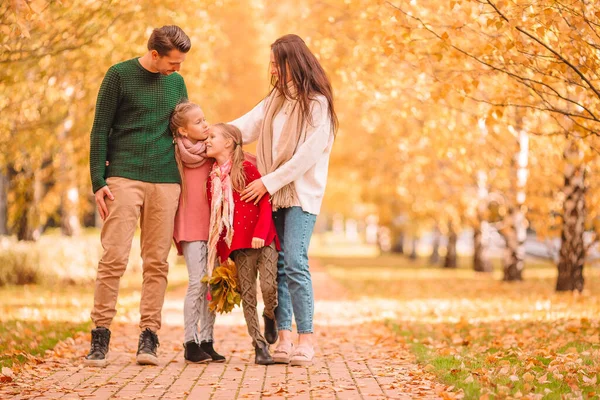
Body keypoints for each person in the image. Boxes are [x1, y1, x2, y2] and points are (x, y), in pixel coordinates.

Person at [85, 25, 191, 367]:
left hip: (165, 179)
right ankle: (100, 337)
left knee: (157, 262)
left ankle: (149, 337)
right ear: (155, 54)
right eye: (174, 63)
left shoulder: (176, 83)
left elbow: (185, 126)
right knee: (114, 256)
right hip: (124, 176)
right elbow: (100, 127)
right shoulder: (119, 75)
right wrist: (97, 180)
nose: (178, 70)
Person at [230, 34, 338, 366]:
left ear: (294, 62)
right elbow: (240, 129)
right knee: (276, 266)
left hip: (301, 196)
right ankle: (285, 337)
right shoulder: (274, 102)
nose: (272, 69)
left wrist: (267, 181)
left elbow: (305, 157)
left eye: (277, 62)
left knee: (294, 262)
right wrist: (199, 130)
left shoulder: (318, 105)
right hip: (271, 197)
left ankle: (307, 339)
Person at [205, 123, 279, 365]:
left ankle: (270, 314)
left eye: (212, 136)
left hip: (263, 238)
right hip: (238, 246)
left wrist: (260, 232)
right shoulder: (213, 179)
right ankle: (259, 345)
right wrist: (223, 252)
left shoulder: (247, 168)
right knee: (248, 295)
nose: (207, 140)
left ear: (228, 142)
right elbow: (218, 220)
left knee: (268, 287)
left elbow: (265, 202)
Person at [170, 101, 225, 364]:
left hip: (213, 226)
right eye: (199, 122)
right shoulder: (174, 154)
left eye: (205, 120)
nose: (205, 125)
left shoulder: (213, 151)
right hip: (189, 223)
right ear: (183, 131)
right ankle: (190, 342)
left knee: (212, 283)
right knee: (197, 281)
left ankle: (208, 340)